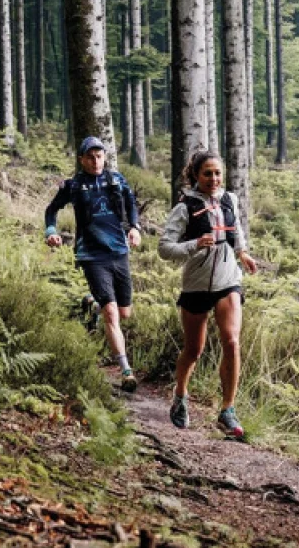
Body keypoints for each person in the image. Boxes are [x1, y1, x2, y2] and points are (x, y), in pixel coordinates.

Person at [158, 150, 257, 437]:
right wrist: (194, 245)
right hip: (196, 284)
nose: (214, 179)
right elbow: (164, 248)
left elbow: (236, 231)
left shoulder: (230, 199)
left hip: (228, 280)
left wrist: (243, 253)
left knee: (232, 341)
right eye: (207, 174)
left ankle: (227, 410)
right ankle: (180, 394)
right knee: (194, 350)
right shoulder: (184, 207)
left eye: (217, 173)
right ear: (195, 175)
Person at [45, 136, 142, 392]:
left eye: (99, 156)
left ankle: (93, 304)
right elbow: (51, 210)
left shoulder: (116, 180)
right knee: (112, 313)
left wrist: (135, 227)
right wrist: (51, 231)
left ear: (104, 157)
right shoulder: (74, 185)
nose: (95, 161)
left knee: (124, 313)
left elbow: (131, 205)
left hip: (119, 252)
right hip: (91, 255)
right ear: (81, 159)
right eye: (90, 157)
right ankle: (126, 371)